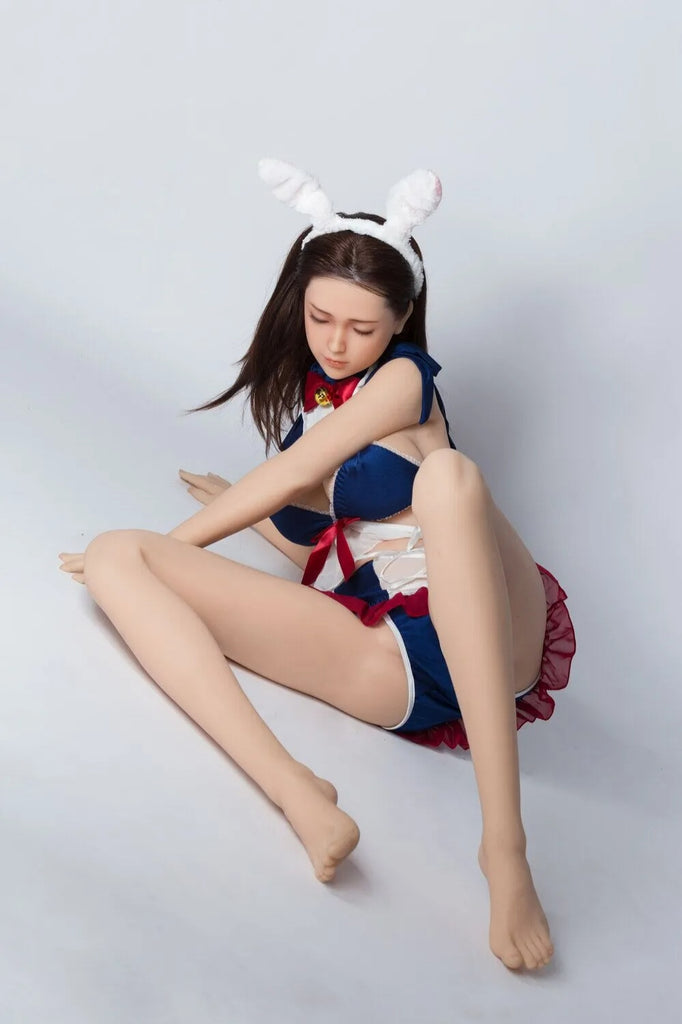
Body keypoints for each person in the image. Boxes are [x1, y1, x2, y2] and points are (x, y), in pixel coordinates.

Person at [58, 158, 576, 972]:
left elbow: (297, 473)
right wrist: (227, 531)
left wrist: (205, 531)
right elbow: (335, 546)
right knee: (117, 553)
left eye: (361, 329)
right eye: (320, 318)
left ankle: (504, 847)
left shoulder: (403, 379)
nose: (336, 344)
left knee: (447, 477)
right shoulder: (315, 397)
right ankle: (297, 792)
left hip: (494, 631)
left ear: (401, 321)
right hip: (395, 661)